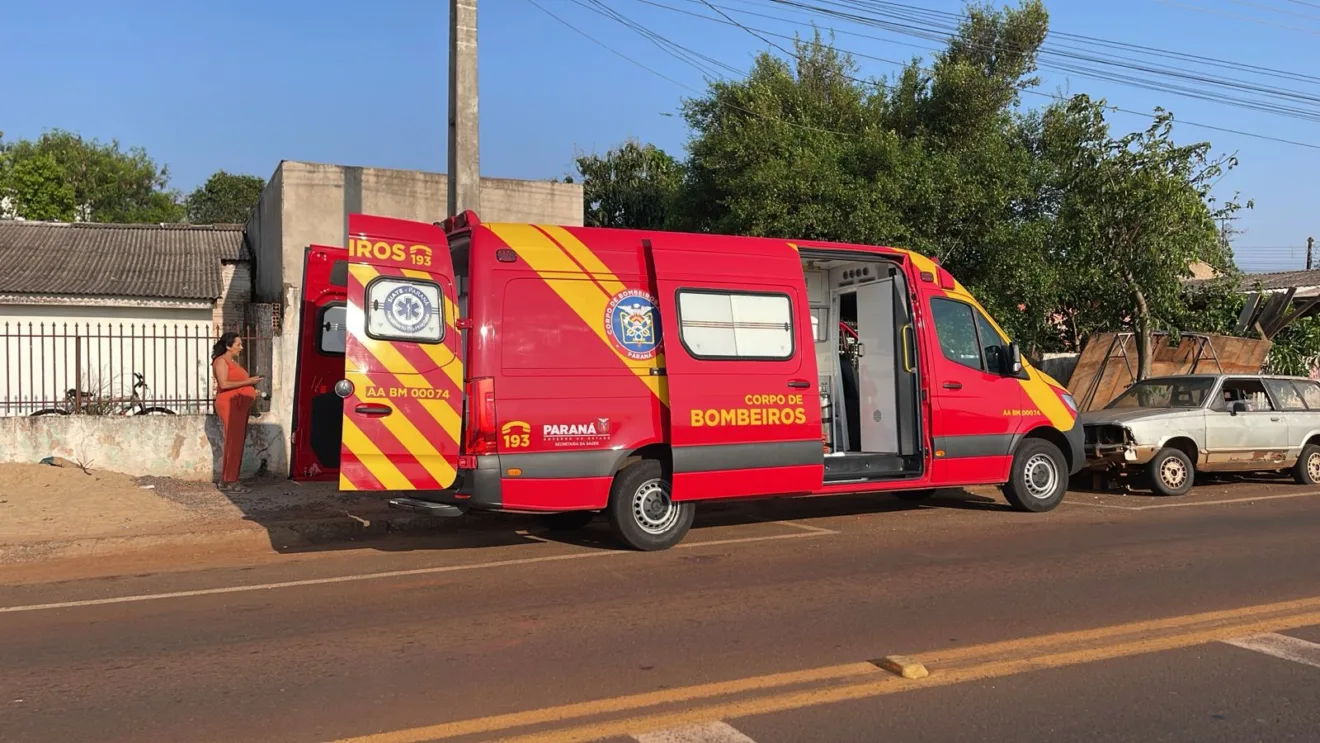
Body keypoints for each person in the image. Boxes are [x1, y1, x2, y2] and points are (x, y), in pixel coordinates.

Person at [212, 332, 262, 493]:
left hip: (239, 405)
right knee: (234, 441)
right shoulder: (221, 361)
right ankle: (231, 480)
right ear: (228, 346)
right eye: (238, 344)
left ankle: (227, 479)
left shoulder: (232, 362)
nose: (241, 347)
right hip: (229, 404)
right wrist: (249, 382)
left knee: (236, 441)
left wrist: (250, 390)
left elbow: (236, 384)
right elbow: (224, 384)